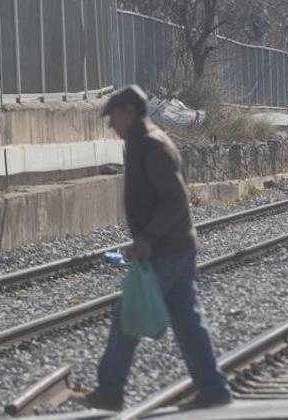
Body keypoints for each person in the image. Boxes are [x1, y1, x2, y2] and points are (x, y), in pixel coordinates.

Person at [80, 85, 233, 412]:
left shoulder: (150, 145)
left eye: (113, 117)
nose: (111, 125)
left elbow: (175, 200)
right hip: (176, 246)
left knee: (128, 316)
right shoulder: (144, 142)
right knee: (187, 322)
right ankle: (214, 388)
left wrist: (147, 238)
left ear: (129, 113)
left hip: (166, 249)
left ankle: (110, 390)